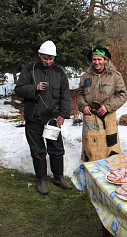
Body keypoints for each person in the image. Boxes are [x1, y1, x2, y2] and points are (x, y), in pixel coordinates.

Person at [15, 40, 72, 195]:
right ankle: (41, 180)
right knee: (38, 150)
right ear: (39, 55)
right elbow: (18, 90)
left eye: (51, 58)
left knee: (56, 148)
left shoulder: (59, 72)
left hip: (52, 119)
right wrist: (34, 88)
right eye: (45, 58)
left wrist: (63, 115)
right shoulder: (29, 70)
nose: (48, 61)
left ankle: (58, 177)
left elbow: (65, 95)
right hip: (34, 117)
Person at [77, 46, 127, 162]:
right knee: (90, 146)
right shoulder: (86, 76)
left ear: (105, 60)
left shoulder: (115, 76)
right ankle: (90, 169)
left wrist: (107, 107)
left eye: (99, 59)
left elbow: (123, 95)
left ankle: (111, 171)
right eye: (94, 59)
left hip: (107, 117)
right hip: (90, 117)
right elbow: (80, 94)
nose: (96, 62)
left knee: (110, 145)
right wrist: (83, 105)